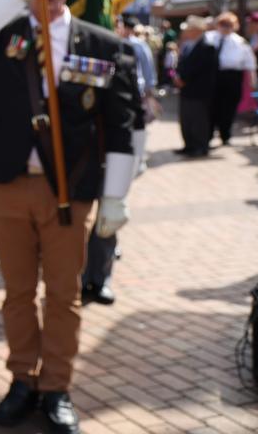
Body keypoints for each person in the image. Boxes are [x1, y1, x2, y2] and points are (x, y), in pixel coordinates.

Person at [0, 0, 137, 434]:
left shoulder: (102, 44)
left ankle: (56, 387)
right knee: (15, 293)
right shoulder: (6, 33)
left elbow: (120, 125)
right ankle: (21, 380)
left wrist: (115, 196)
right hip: (9, 185)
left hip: (67, 192)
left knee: (63, 295)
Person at [82, 16, 154, 306]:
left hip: (108, 152)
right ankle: (76, 277)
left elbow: (132, 112)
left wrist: (135, 160)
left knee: (105, 223)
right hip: (75, 154)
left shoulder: (120, 53)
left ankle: (99, 279)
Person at [205, 12, 257, 146]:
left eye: (228, 25)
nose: (225, 28)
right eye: (223, 24)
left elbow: (250, 63)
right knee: (212, 107)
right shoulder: (209, 38)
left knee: (229, 108)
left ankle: (225, 135)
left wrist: (252, 81)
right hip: (213, 76)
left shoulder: (240, 42)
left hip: (233, 77)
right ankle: (208, 135)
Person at [174, 16, 219, 157]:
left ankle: (200, 146)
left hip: (199, 91)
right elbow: (183, 64)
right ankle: (189, 145)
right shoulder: (188, 45)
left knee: (198, 120)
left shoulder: (207, 46)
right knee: (187, 119)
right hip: (187, 89)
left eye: (189, 29)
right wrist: (178, 77)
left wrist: (184, 79)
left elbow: (201, 69)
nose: (186, 32)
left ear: (196, 30)